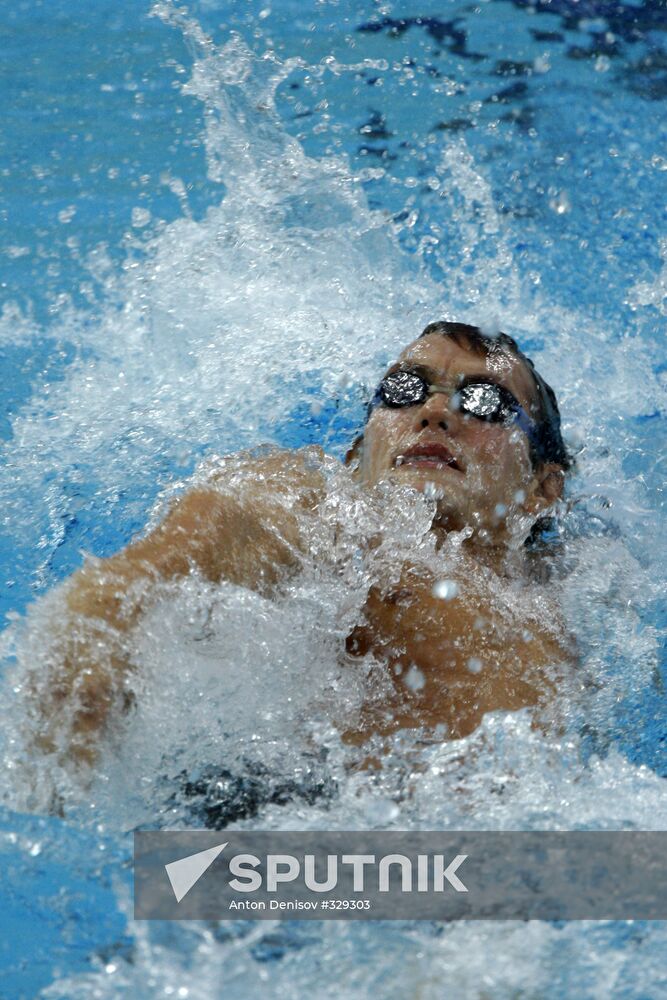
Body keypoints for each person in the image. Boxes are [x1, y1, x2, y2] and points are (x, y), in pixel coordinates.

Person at [27, 321, 574, 769]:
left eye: (484, 401)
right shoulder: (330, 517)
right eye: (403, 391)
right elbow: (230, 521)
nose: (434, 413)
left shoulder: (581, 603)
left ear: (540, 489)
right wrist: (110, 612)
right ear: (355, 457)